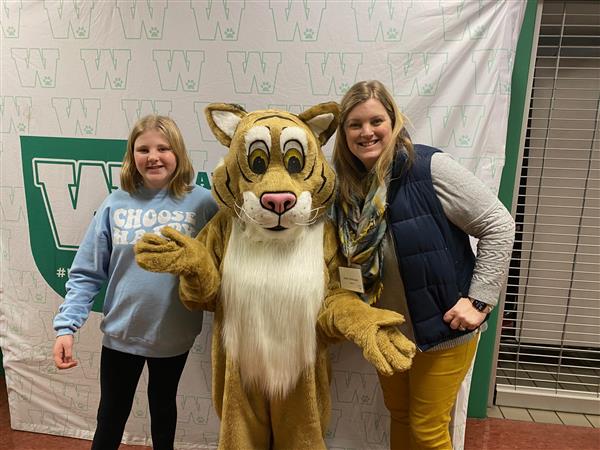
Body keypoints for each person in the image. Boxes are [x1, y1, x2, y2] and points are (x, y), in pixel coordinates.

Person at [332, 80, 515, 450]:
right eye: (355, 124)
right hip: (389, 332)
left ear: (394, 121)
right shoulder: (350, 187)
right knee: (399, 416)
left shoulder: (428, 168)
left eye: (375, 121)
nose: (366, 132)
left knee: (428, 429)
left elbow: (499, 225)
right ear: (344, 133)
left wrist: (478, 301)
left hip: (443, 329)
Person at [52, 115, 218, 450]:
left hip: (174, 335)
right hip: (121, 334)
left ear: (179, 153)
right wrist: (66, 327)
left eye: (163, 147)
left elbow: (219, 263)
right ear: (132, 156)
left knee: (163, 409)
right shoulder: (115, 202)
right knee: (111, 414)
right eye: (143, 149)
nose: (153, 156)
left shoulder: (203, 203)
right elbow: (87, 271)